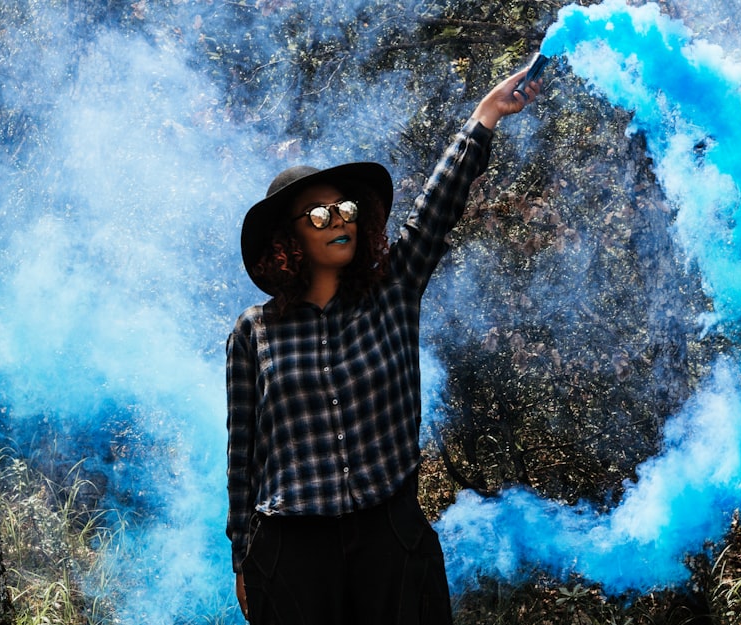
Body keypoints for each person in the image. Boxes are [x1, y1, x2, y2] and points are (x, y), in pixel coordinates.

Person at [226, 65, 541, 625]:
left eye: (345, 209)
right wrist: (242, 554)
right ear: (288, 241)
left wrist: (486, 115)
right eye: (319, 214)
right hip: (292, 549)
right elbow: (243, 453)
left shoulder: (392, 290)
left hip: (388, 535)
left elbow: (437, 209)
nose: (337, 220)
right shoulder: (254, 331)